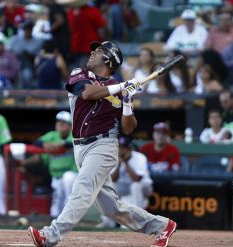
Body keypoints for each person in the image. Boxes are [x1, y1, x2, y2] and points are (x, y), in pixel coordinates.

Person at [28, 41, 177, 247]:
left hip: (103, 146)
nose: (92, 53)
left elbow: (128, 128)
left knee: (82, 187)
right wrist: (121, 87)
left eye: (98, 51)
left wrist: (126, 102)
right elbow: (88, 94)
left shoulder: (119, 90)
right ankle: (162, 226)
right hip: (80, 147)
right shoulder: (80, 74)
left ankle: (50, 235)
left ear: (109, 59)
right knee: (111, 208)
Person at [20, 111, 77, 218]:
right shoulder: (52, 136)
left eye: (64, 123)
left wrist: (62, 144)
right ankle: (55, 221)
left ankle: (70, 218)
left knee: (68, 191)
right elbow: (36, 142)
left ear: (70, 126)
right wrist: (45, 144)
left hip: (72, 174)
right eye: (59, 122)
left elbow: (75, 143)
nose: (60, 124)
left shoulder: (74, 135)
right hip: (56, 175)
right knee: (56, 203)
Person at [98, 135, 153, 228]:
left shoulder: (139, 157)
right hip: (125, 186)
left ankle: (135, 220)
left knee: (135, 186)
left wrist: (126, 162)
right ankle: (108, 220)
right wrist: (119, 164)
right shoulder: (115, 157)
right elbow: (113, 179)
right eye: (119, 147)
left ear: (130, 148)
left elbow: (136, 179)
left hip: (144, 186)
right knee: (109, 187)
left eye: (124, 147)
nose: (121, 150)